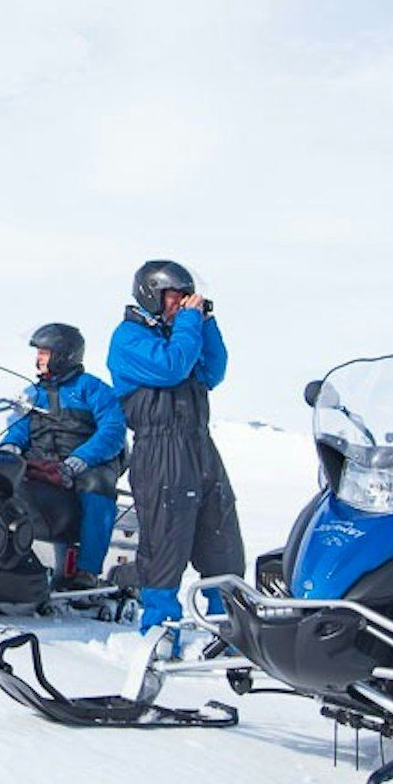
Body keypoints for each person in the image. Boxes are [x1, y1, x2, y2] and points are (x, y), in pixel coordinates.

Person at [107, 260, 244, 633]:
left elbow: (212, 371)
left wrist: (206, 323)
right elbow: (172, 367)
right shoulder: (128, 338)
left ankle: (228, 624)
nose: (180, 304)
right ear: (150, 294)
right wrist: (188, 324)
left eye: (186, 298)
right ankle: (160, 626)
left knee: (222, 537)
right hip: (160, 451)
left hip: (199, 446)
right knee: (167, 542)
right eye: (173, 297)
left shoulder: (181, 335)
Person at [1, 323, 126, 589]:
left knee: (97, 487)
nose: (39, 358)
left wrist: (82, 458)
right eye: (39, 352)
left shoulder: (92, 388)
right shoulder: (33, 393)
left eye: (45, 352)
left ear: (64, 355)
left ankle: (88, 569)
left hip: (84, 463)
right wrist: (10, 445)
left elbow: (113, 430)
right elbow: (19, 424)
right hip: (40, 459)